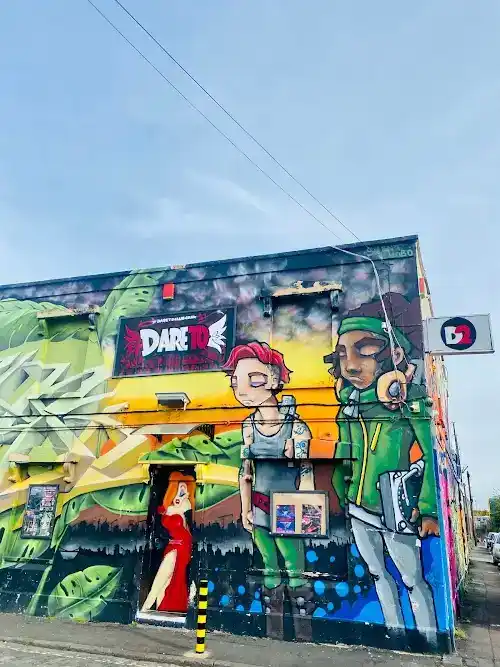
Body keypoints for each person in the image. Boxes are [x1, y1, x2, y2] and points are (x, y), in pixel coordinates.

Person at [324, 293, 439, 637]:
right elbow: (344, 455)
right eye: (342, 353)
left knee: (411, 578)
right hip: (358, 509)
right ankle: (395, 633)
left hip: (396, 510)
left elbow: (430, 454)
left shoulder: (408, 400)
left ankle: (429, 636)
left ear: (395, 353)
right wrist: (342, 492)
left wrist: (428, 509)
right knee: (377, 574)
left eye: (365, 349)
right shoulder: (349, 407)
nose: (350, 364)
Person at [222, 342, 315, 640]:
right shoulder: (248, 427)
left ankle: (303, 634)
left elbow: (306, 472)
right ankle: (274, 632)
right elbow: (245, 472)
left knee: (294, 566)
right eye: (236, 381)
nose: (242, 389)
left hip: (288, 506)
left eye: (255, 379)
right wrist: (245, 508)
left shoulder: (296, 427)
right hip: (259, 507)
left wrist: (306, 513)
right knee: (269, 566)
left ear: (274, 379)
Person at [142, 472, 195, 614]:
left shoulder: (186, 506)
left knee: (162, 576)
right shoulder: (167, 507)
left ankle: (146, 606)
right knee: (166, 580)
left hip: (181, 546)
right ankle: (159, 608)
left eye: (184, 490)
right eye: (178, 489)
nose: (181, 493)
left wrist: (184, 505)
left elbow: (189, 529)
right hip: (171, 545)